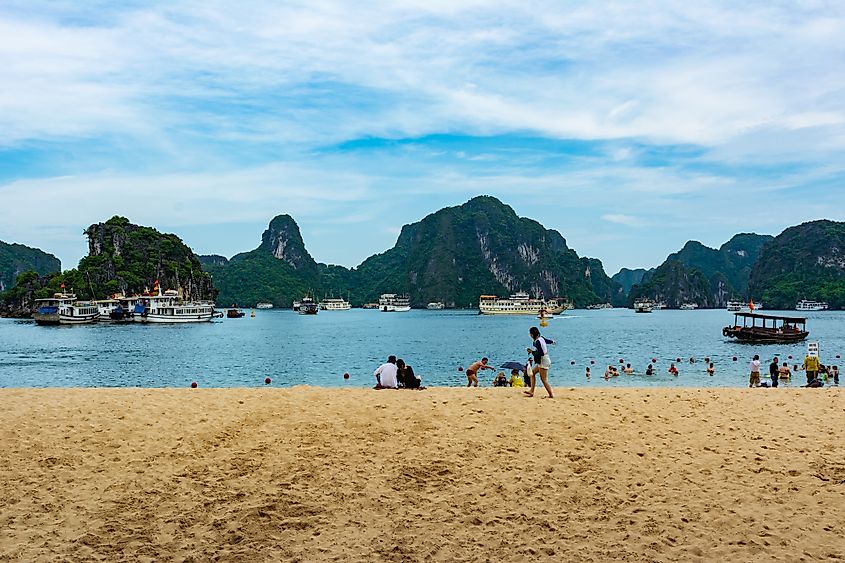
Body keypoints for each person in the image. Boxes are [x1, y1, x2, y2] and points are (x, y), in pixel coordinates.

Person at [525, 326, 553, 398]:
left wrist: (531, 351)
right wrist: (553, 342)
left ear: (532, 334)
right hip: (543, 360)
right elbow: (547, 341)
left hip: (543, 360)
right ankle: (531, 391)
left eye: (530, 334)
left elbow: (541, 353)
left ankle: (551, 395)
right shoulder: (541, 338)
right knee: (532, 373)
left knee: (543, 379)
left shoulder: (537, 341)